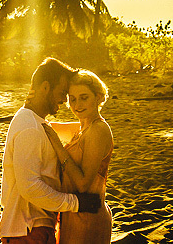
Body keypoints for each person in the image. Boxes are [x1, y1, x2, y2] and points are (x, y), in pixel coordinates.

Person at [0, 57, 101, 243]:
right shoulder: (29, 125)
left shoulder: (36, 122)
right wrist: (76, 203)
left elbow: (85, 130)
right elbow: (29, 187)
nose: (64, 100)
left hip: (33, 229)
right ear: (45, 87)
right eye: (62, 92)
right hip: (28, 230)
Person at [43, 69, 114, 243]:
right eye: (72, 99)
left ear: (98, 97)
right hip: (72, 214)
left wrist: (59, 147)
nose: (77, 105)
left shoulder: (98, 130)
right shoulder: (82, 127)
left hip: (89, 217)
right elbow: (45, 125)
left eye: (84, 97)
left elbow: (83, 184)